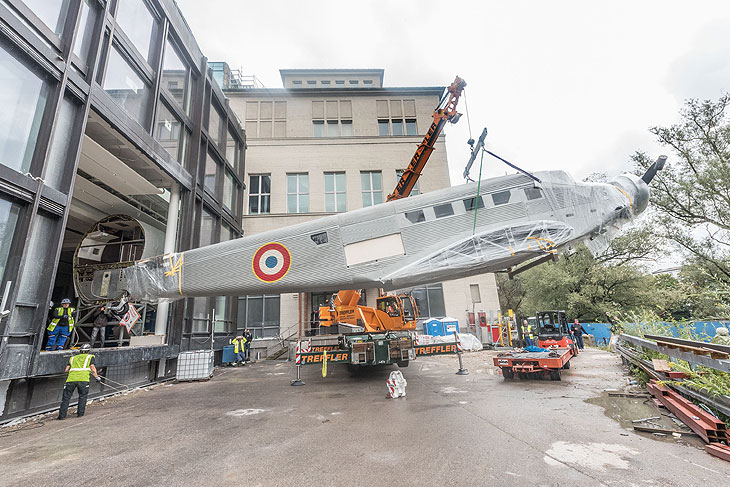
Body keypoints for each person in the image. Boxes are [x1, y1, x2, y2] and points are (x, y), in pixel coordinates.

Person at [58, 344, 101, 420]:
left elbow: (66, 370)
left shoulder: (72, 358)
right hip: (83, 380)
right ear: (88, 351)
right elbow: (92, 368)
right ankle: (80, 414)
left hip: (71, 380)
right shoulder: (90, 357)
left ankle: (62, 416)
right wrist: (97, 377)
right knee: (82, 396)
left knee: (66, 398)